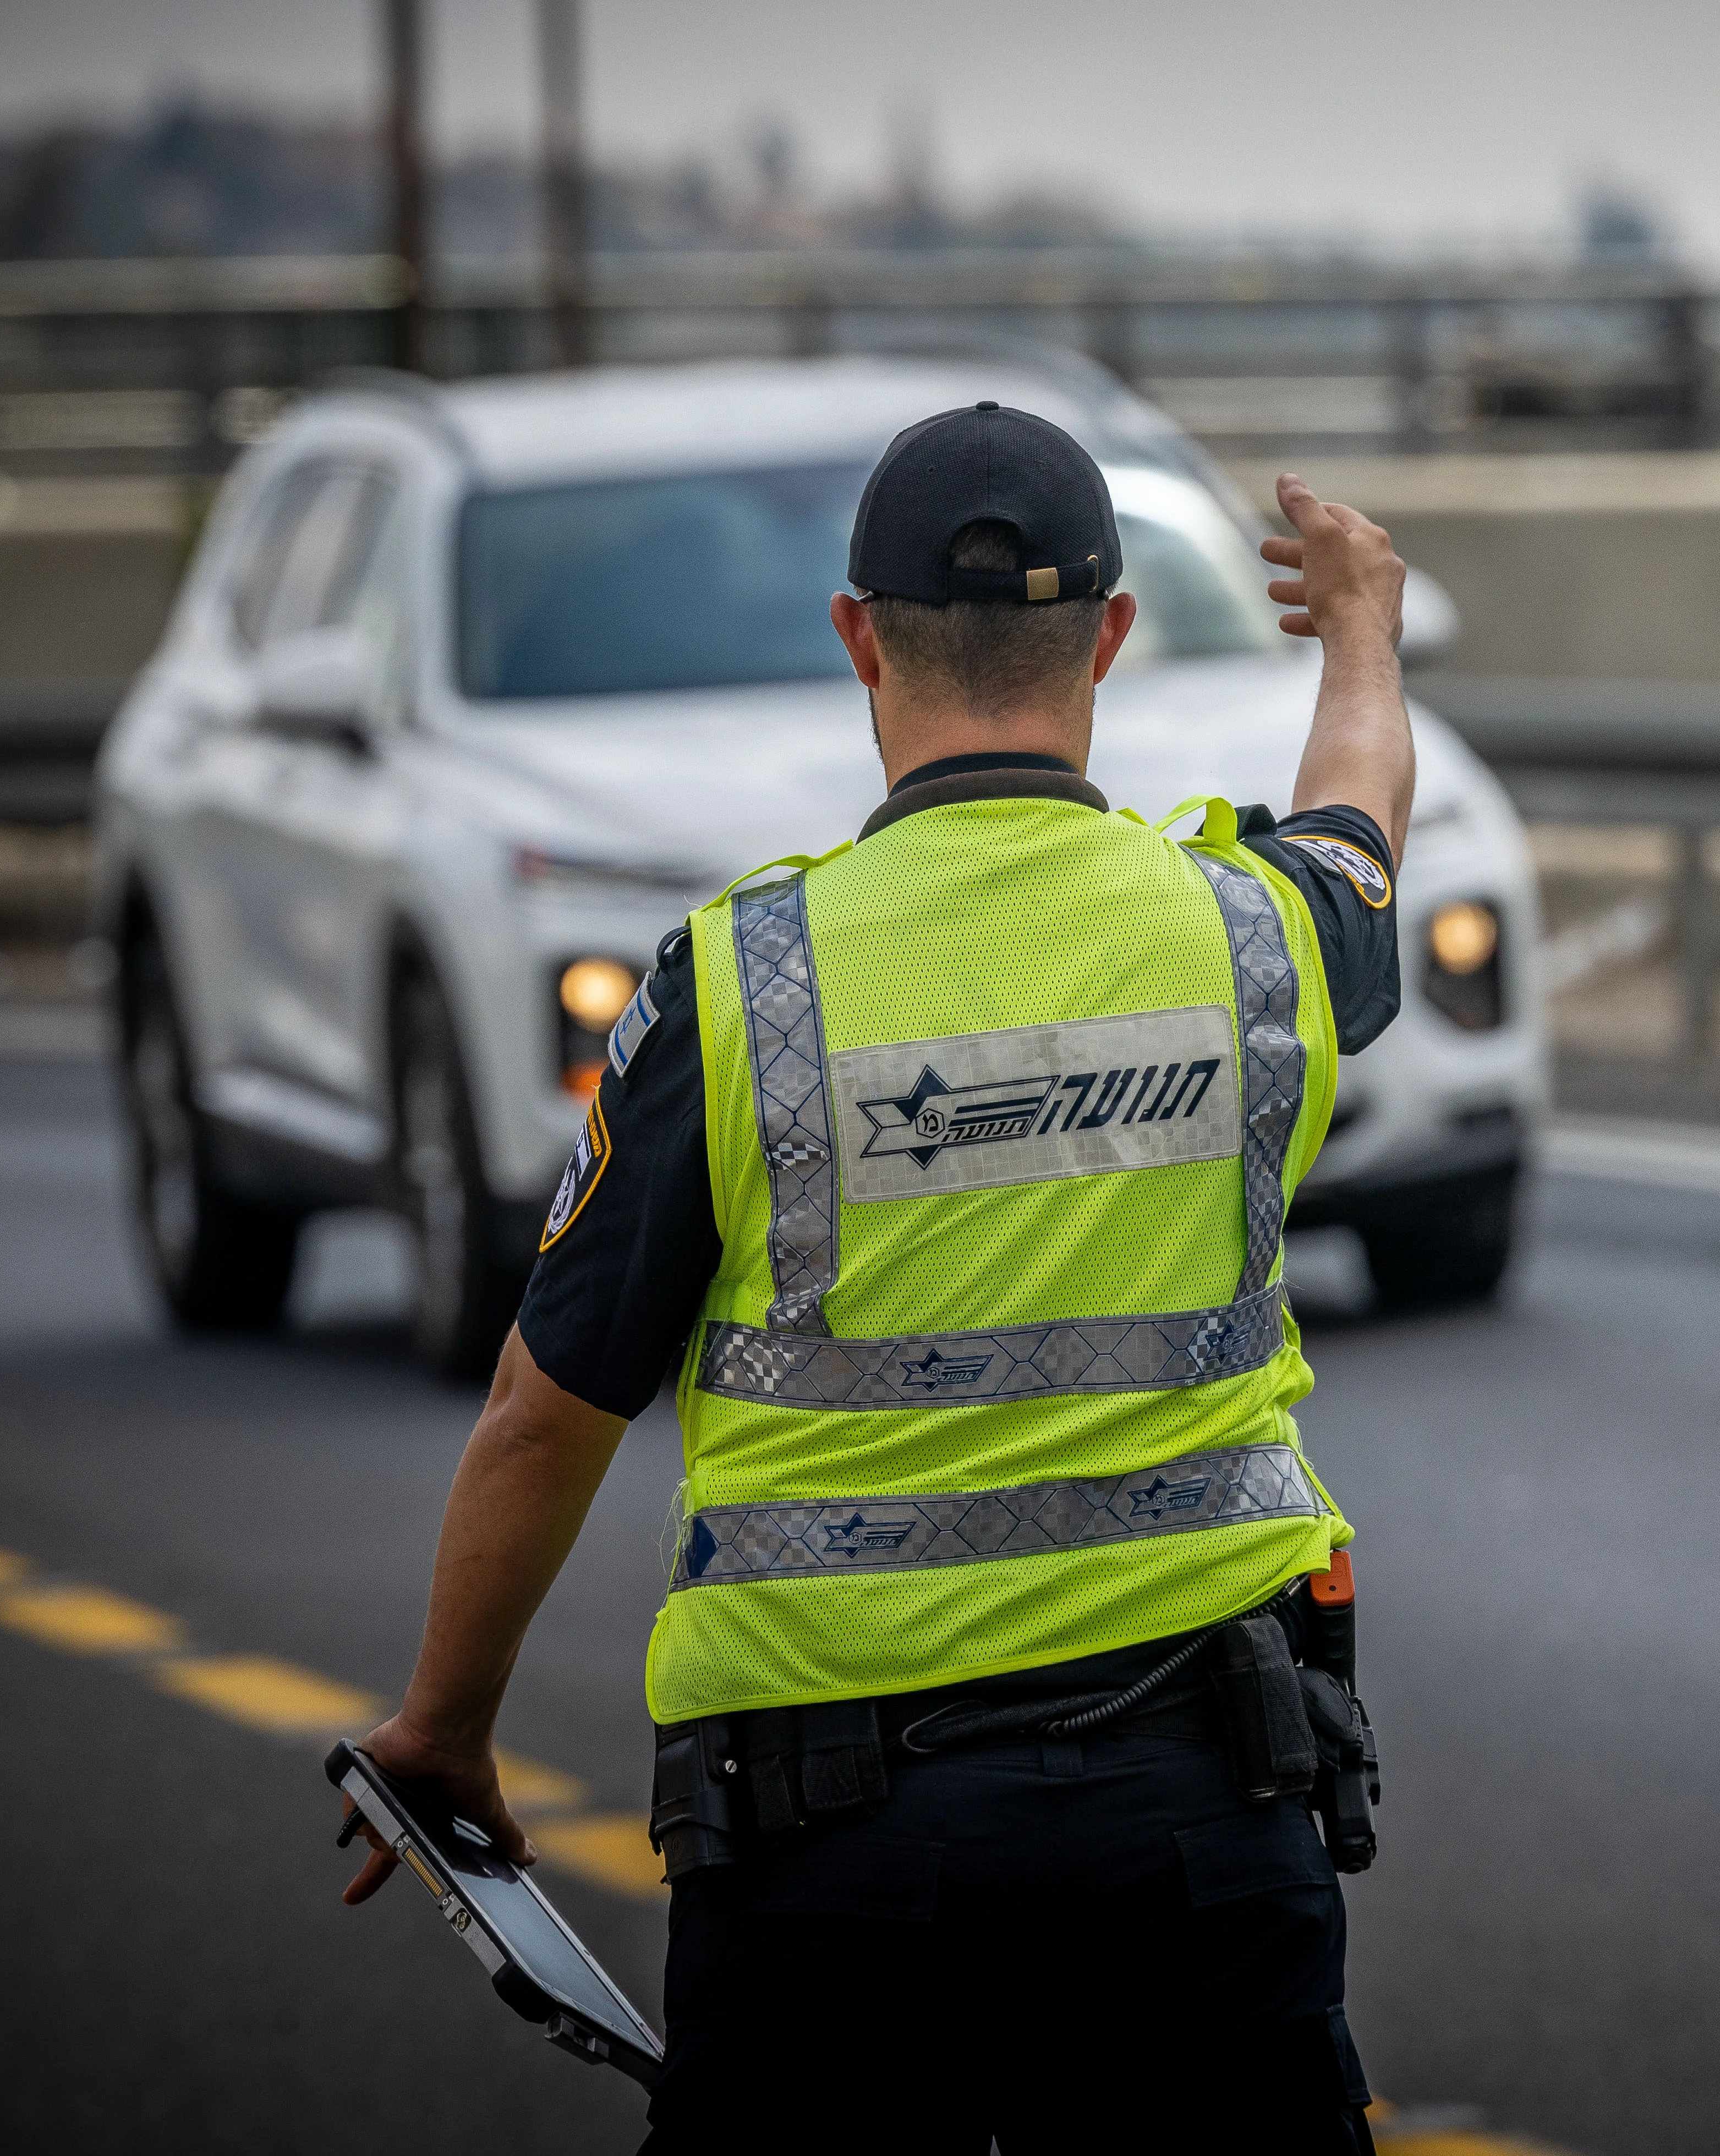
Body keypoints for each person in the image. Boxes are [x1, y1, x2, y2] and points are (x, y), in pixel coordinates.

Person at [335, 398, 1415, 2155]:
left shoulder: (734, 987)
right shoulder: (1255, 936)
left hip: (836, 1861)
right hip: (1206, 1826)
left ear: (857, 636)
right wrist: (1360, 625)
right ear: (1114, 639)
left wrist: (446, 1727)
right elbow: (1357, 818)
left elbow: (547, 1412)